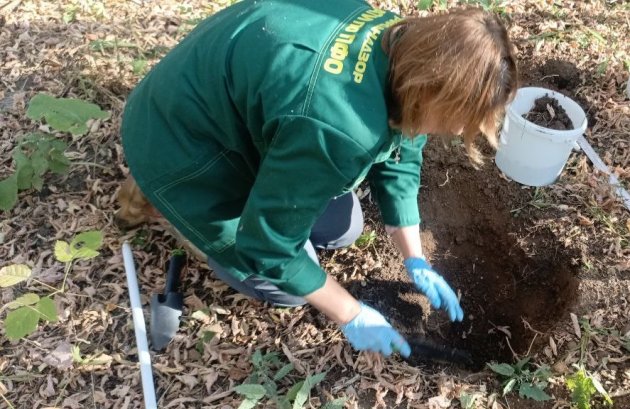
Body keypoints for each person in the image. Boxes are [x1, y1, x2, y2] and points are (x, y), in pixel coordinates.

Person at [118, 0, 517, 358]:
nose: (448, 133)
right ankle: (163, 202)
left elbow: (403, 144)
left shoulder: (401, 41)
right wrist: (351, 312)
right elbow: (269, 245)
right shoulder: (337, 128)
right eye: (451, 122)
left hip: (229, 99)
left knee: (344, 228)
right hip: (180, 146)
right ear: (426, 91)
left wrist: (415, 258)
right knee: (287, 288)